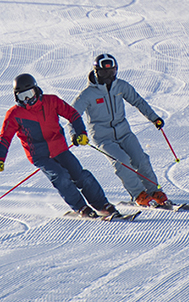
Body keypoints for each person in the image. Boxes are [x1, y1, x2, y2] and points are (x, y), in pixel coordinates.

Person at [0, 73, 118, 218]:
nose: (28, 99)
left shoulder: (51, 101)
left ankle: (102, 204)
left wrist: (81, 132)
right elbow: (5, 137)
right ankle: (81, 207)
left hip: (60, 148)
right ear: (17, 97)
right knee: (60, 177)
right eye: (23, 96)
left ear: (36, 90)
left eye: (30, 93)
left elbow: (73, 114)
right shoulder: (14, 114)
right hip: (39, 155)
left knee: (80, 175)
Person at [71, 53, 170, 207]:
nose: (109, 76)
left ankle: (154, 191)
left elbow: (138, 101)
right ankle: (138, 194)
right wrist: (76, 134)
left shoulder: (120, 86)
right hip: (103, 137)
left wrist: (154, 118)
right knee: (122, 162)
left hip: (124, 132)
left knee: (141, 159)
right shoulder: (88, 94)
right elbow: (73, 114)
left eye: (112, 72)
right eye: (104, 73)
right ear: (97, 72)